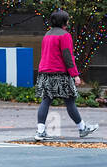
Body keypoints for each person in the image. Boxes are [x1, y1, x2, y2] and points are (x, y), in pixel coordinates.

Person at [34, 10, 98, 141]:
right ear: (64, 22)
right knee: (70, 101)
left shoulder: (47, 34)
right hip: (60, 72)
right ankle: (82, 128)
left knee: (45, 100)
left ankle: (40, 131)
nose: (68, 22)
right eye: (67, 20)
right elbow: (67, 56)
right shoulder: (65, 35)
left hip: (45, 72)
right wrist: (75, 75)